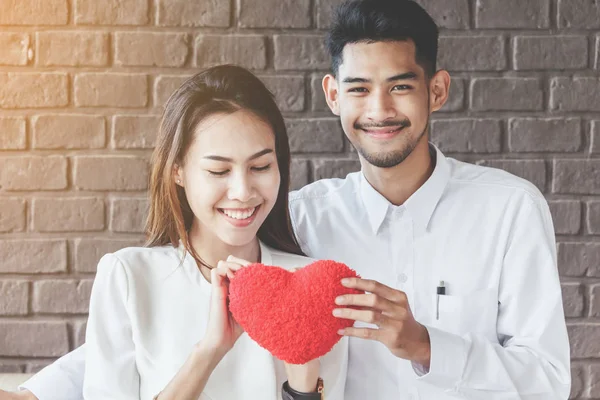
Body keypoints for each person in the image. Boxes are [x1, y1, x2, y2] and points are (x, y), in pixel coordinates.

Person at [3, 0, 571, 399]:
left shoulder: (509, 210)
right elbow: (152, 316)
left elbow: (549, 381)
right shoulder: (295, 216)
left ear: (436, 90)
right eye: (358, 89)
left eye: (400, 86)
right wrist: (39, 391)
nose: (379, 110)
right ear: (332, 95)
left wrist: (424, 344)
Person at [0, 65, 347, 400]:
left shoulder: (312, 287)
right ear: (178, 170)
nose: (243, 190)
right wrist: (208, 353)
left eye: (260, 166)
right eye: (218, 170)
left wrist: (303, 388)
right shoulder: (129, 277)